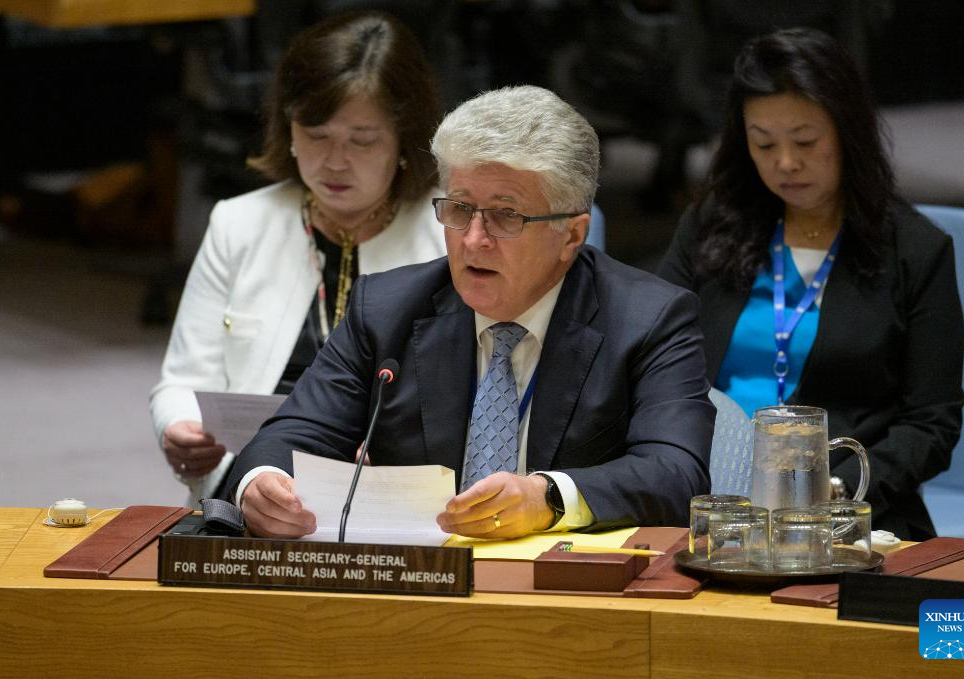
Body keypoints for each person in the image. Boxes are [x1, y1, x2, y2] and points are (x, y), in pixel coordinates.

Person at [224, 85, 715, 539]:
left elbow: (675, 472)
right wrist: (262, 483)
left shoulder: (649, 320)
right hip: (419, 578)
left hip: (567, 584)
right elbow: (291, 434)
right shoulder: (387, 309)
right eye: (459, 209)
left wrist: (548, 497)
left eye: (506, 215)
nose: (474, 240)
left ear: (571, 234)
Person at [657, 28, 964, 540]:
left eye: (805, 141)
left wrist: (836, 492)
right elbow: (652, 362)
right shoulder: (710, 227)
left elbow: (932, 422)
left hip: (841, 513)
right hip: (706, 499)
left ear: (848, 133)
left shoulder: (914, 250)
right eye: (764, 143)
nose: (785, 162)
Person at [150, 12, 446, 503]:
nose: (334, 161)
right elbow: (182, 381)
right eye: (316, 134)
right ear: (288, 128)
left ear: (404, 139)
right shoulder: (240, 222)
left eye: (362, 140)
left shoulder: (451, 230)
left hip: (400, 491)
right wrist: (178, 427)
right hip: (254, 481)